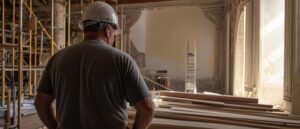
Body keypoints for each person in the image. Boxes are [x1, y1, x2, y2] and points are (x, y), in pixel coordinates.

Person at [34, 1, 154, 129]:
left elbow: (40, 102)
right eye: (114, 33)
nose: (113, 38)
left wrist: (54, 127)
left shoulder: (57, 59)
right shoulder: (122, 60)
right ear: (107, 30)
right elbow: (147, 108)